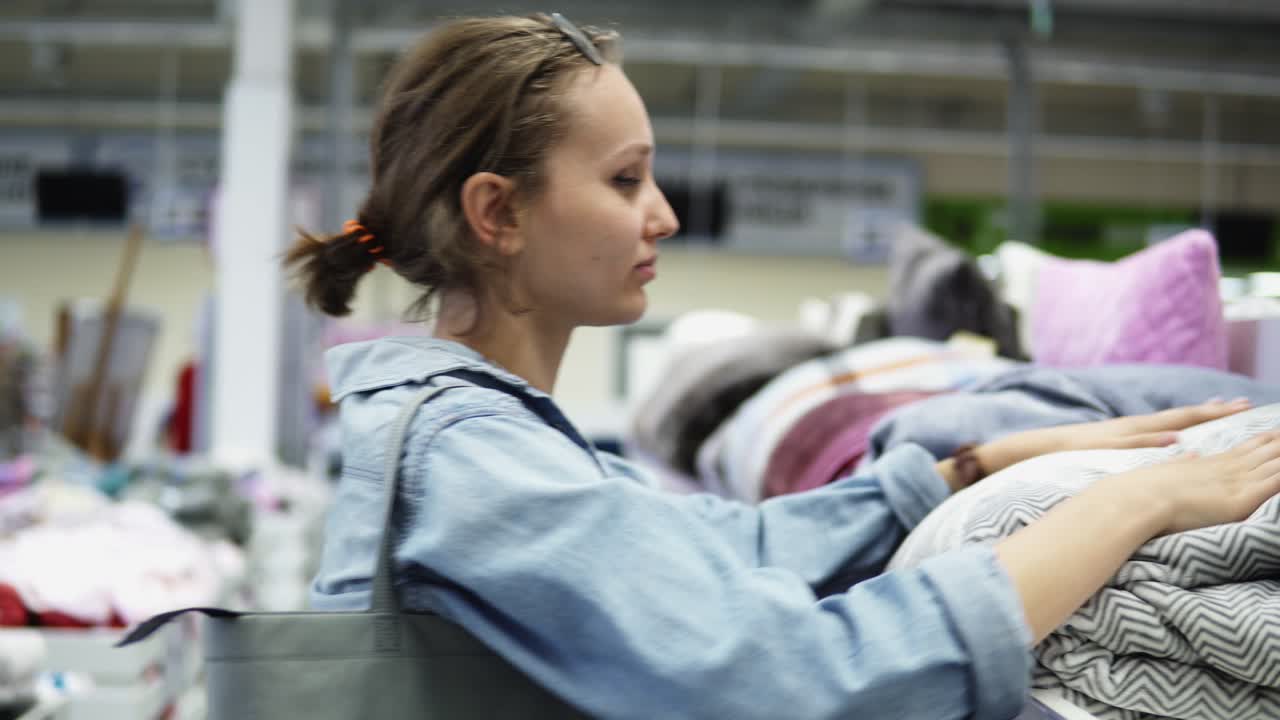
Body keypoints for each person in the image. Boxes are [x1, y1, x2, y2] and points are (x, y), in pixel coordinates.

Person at [286, 14, 1280, 719]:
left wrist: (970, 467)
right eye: (624, 179)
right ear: (497, 212)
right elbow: (788, 678)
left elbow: (728, 549)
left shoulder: (491, 439)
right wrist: (1129, 504)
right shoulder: (474, 462)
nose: (662, 214)